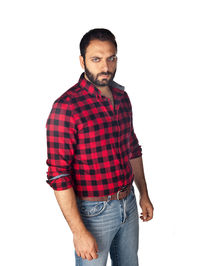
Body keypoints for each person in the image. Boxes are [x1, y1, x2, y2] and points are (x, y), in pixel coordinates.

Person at [46, 28, 154, 266]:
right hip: (94, 211)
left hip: (128, 202)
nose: (106, 67)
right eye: (96, 59)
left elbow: (133, 149)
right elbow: (59, 175)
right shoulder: (66, 108)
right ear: (82, 61)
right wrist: (78, 231)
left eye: (111, 58)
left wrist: (143, 193)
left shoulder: (122, 98)